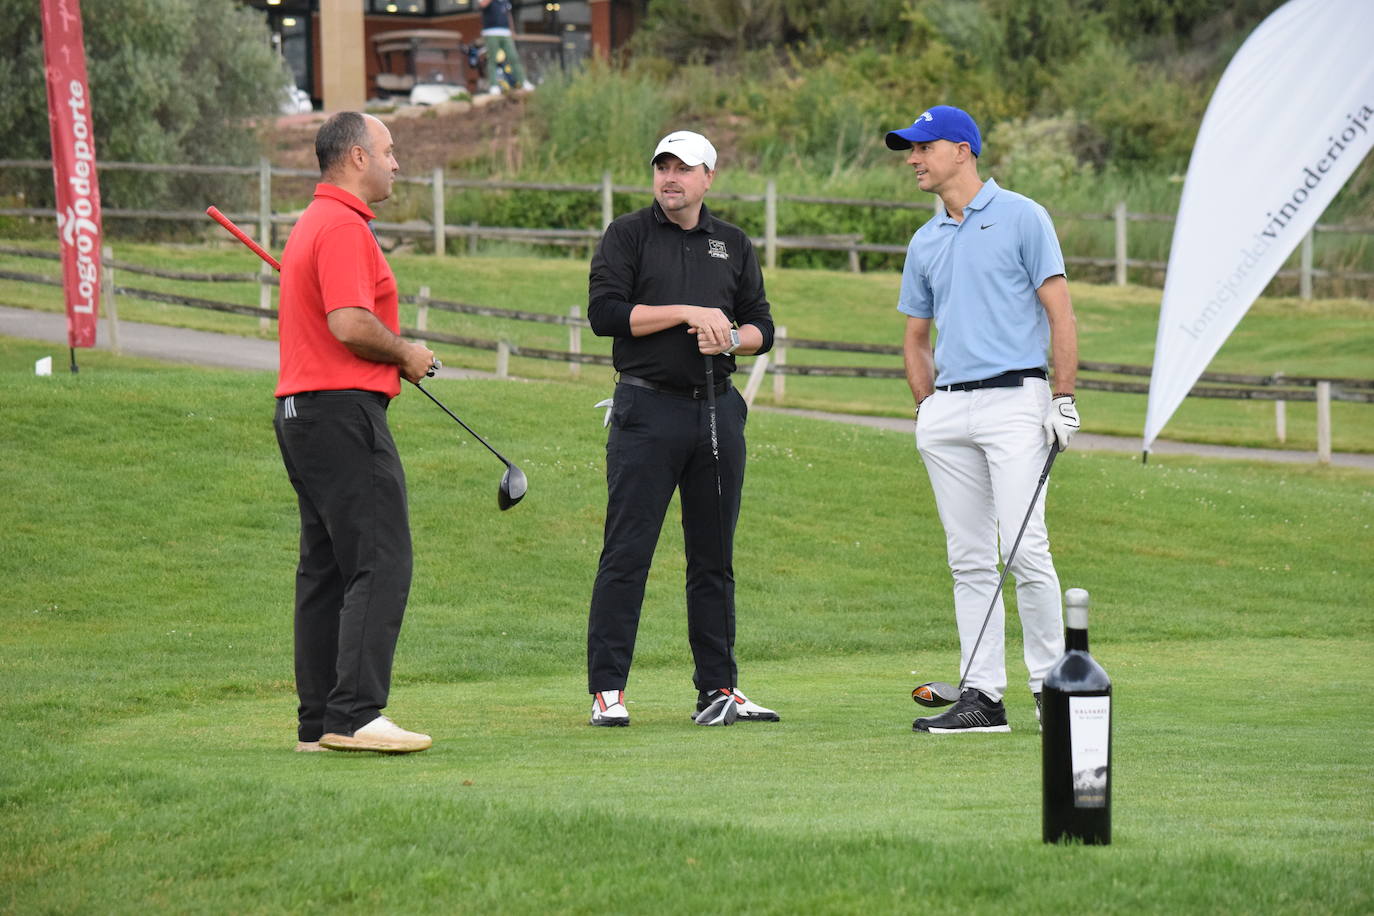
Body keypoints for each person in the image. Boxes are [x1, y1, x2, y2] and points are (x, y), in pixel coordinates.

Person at [886, 105, 1082, 734]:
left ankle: (1054, 689)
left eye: (923, 147)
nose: (913, 159)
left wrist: (1063, 397)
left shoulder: (1023, 216)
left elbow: (1061, 313)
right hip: (948, 409)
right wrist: (927, 407)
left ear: (962, 150)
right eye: (909, 150)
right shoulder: (925, 240)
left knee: (1025, 547)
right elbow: (916, 335)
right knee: (969, 559)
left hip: (1014, 401)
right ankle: (982, 698)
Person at [584, 130, 780, 728]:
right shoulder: (628, 235)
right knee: (628, 551)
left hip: (718, 408)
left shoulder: (733, 244)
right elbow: (606, 315)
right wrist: (688, 313)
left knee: (714, 558)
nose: (670, 177)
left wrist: (732, 336)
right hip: (646, 411)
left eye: (683, 168)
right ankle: (608, 691)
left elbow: (762, 327)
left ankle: (718, 689)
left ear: (707, 177)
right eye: (662, 167)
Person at [273, 112, 437, 754]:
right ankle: (356, 714)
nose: (397, 163)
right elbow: (348, 322)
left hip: (303, 411)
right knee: (380, 560)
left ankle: (319, 723)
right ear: (356, 158)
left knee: (326, 570)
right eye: (389, 151)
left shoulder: (314, 221)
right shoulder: (341, 225)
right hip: (341, 412)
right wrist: (405, 352)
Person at [478, 0, 534, 95]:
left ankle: (523, 81)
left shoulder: (505, 2)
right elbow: (482, 5)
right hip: (491, 32)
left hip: (505, 32)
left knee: (514, 58)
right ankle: (493, 85)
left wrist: (512, 30)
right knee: (492, 59)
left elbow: (508, 15)